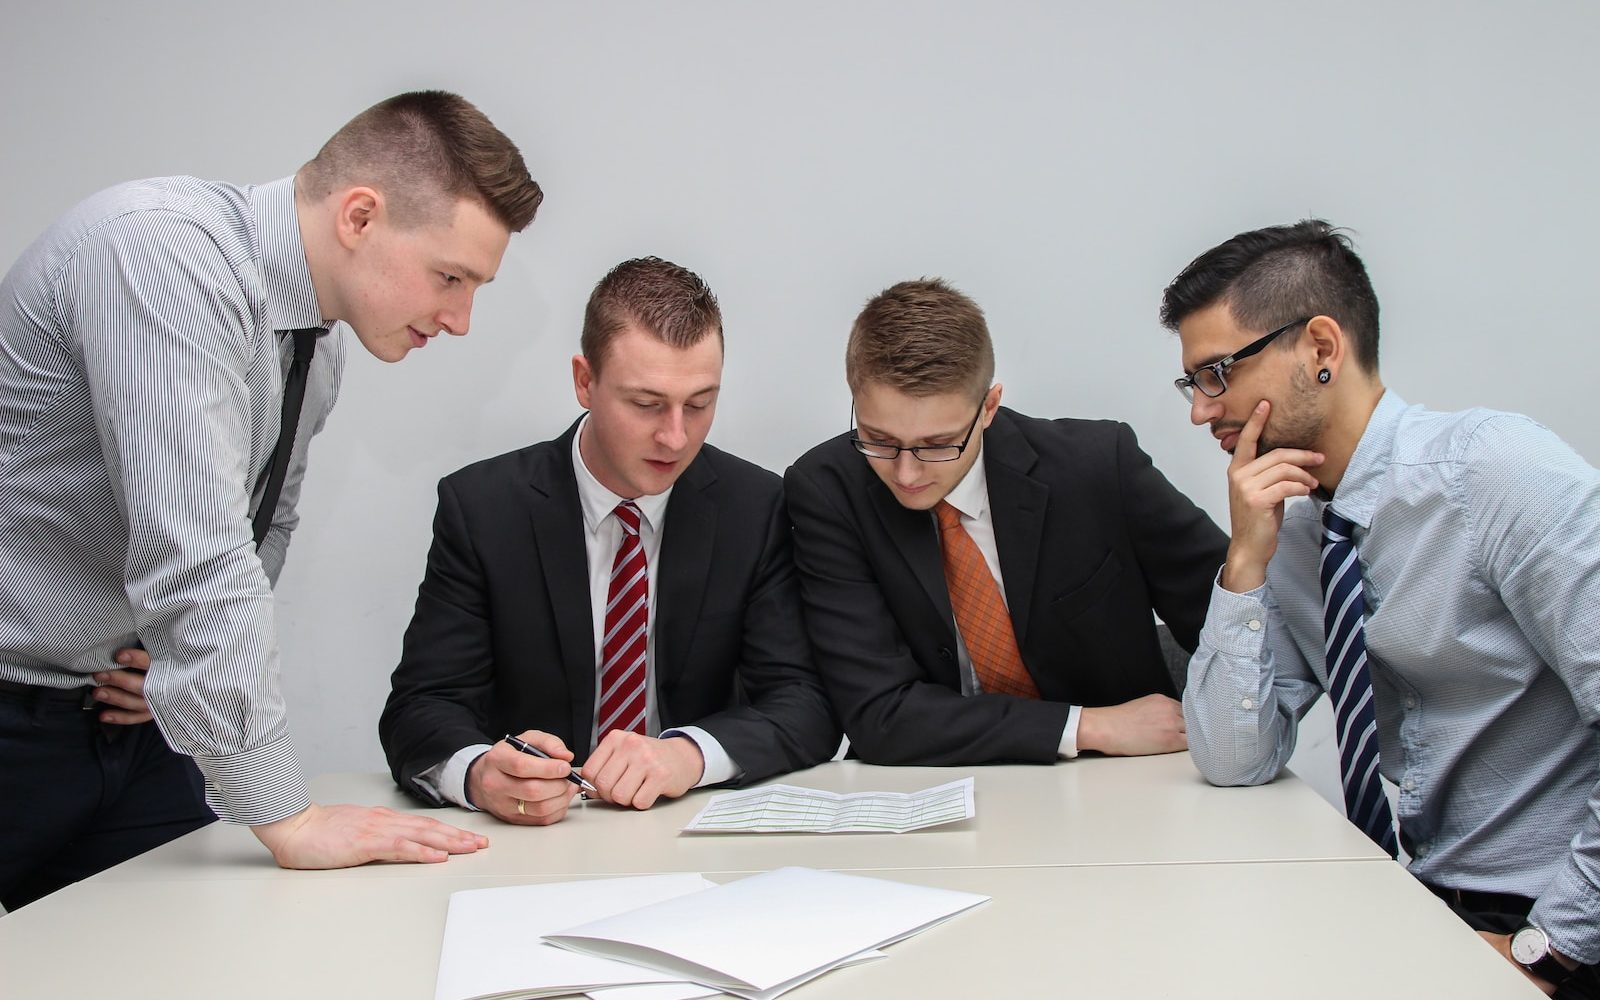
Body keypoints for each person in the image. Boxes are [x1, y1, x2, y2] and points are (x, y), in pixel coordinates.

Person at [0, 90, 544, 909]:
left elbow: (264, 524)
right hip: (11, 716)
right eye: (450, 276)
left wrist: (173, 669)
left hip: (121, 721)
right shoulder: (161, 256)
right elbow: (199, 555)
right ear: (359, 217)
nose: (462, 319)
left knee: (197, 956)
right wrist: (286, 813)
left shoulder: (315, 341)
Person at [1162, 220, 1600, 996]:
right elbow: (1233, 760)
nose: (1202, 411)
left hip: (1558, 923)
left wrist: (1548, 947)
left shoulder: (1495, 473)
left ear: (1322, 350)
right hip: (1428, 905)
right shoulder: (1294, 531)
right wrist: (1245, 564)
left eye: (1219, 373)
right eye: (1193, 382)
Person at [379, 257, 839, 824]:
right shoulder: (484, 509)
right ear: (584, 382)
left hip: (687, 832)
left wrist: (687, 755)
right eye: (645, 404)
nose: (675, 436)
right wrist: (479, 774)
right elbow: (421, 707)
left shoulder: (755, 507)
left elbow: (806, 705)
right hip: (532, 843)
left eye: (699, 404)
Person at [783, 278, 1227, 766]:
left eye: (937, 445)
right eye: (878, 439)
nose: (906, 473)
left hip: (1125, 781)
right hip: (933, 786)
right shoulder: (827, 490)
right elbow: (880, 716)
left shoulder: (1098, 468)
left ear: (989, 407)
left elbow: (1235, 629)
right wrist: (1088, 725)